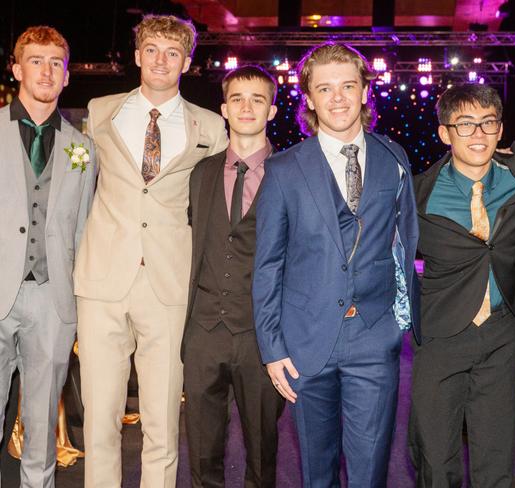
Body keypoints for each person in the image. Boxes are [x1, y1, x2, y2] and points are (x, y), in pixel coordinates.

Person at [252, 42, 419, 488]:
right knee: (315, 470)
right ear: (309, 98)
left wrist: (397, 323)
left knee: (370, 471)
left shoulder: (393, 158)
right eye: (325, 88)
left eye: (348, 85)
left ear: (365, 91)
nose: (338, 97)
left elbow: (404, 244)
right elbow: (268, 264)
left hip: (373, 338)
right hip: (305, 342)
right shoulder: (284, 169)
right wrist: (272, 348)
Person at [74, 14, 228, 488]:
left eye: (173, 52)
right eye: (153, 49)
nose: (161, 60)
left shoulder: (211, 126)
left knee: (163, 418)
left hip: (169, 284)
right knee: (100, 416)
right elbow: (74, 188)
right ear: (138, 56)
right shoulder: (98, 111)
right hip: (102, 280)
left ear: (187, 61)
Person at [409, 84, 515, 488]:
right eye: (465, 124)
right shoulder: (416, 194)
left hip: (503, 334)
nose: (478, 134)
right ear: (445, 133)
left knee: (497, 458)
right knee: (435, 456)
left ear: (500, 130)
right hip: (441, 336)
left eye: (487, 123)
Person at [0, 26, 95, 488]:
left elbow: (80, 226)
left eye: (56, 62)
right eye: (36, 60)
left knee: (42, 425)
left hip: (53, 301)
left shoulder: (82, 148)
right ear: (16, 69)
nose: (47, 70)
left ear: (67, 75)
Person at [182, 65, 284, 488]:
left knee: (263, 452)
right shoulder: (202, 173)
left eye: (257, 99)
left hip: (261, 336)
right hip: (204, 330)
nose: (246, 107)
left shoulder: (290, 174)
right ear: (223, 108)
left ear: (272, 111)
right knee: (202, 451)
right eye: (237, 98)